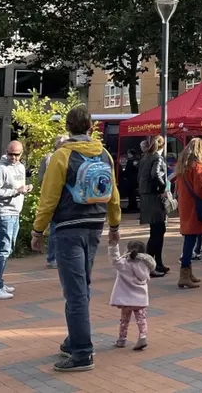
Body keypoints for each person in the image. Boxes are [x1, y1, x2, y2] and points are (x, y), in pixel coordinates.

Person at [31, 106, 121, 372]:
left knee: (75, 291)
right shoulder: (104, 154)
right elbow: (113, 193)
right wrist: (115, 225)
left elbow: (48, 198)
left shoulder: (62, 155)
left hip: (69, 227)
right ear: (91, 128)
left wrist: (38, 230)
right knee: (82, 286)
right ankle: (74, 340)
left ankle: (82, 352)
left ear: (67, 128)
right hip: (95, 225)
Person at [0, 140, 31, 300]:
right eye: (11, 154)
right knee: (2, 251)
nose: (13, 158)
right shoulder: (0, 169)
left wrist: (25, 189)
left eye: (17, 154)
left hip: (14, 212)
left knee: (8, 249)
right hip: (2, 214)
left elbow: (19, 187)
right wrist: (15, 191)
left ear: (21, 153)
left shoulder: (20, 167)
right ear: (7, 151)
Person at [175, 137, 202, 289]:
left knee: (189, 238)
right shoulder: (197, 166)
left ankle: (188, 272)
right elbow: (201, 189)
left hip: (186, 205)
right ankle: (184, 274)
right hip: (195, 207)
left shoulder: (182, 166)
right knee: (190, 240)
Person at [108, 239, 155, 351]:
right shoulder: (146, 264)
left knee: (124, 319)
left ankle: (122, 339)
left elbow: (114, 259)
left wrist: (113, 245)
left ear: (128, 250)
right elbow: (145, 278)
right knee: (141, 319)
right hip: (140, 299)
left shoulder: (124, 263)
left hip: (126, 299)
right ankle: (142, 337)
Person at [138, 136, 170, 277]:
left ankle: (158, 263)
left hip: (146, 196)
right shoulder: (157, 158)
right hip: (153, 196)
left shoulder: (145, 157)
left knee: (156, 230)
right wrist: (162, 188)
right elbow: (155, 174)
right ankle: (149, 266)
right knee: (158, 231)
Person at [38, 134, 69, 269]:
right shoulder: (49, 158)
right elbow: (41, 180)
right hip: (54, 198)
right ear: (57, 145)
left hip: (68, 199)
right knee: (54, 229)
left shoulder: (70, 156)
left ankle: (61, 257)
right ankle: (52, 258)